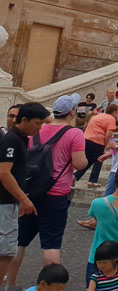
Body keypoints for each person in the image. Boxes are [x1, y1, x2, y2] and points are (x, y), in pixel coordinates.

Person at [7, 95, 86, 287]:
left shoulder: (36, 129)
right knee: (51, 244)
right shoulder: (74, 133)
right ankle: (51, 288)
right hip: (55, 194)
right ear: (73, 111)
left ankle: (10, 284)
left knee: (20, 242)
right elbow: (79, 163)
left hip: (30, 193)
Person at [0, 103, 49, 284]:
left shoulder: (20, 138)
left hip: (8, 201)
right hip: (4, 201)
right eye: (37, 123)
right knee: (5, 251)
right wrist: (23, 198)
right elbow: (4, 172)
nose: (40, 127)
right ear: (24, 120)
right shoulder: (12, 140)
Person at [77, 104, 118, 187]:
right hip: (97, 141)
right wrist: (106, 146)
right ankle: (92, 181)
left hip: (86, 138)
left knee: (89, 160)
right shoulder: (111, 119)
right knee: (99, 160)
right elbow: (108, 134)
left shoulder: (99, 115)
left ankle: (76, 176)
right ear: (114, 111)